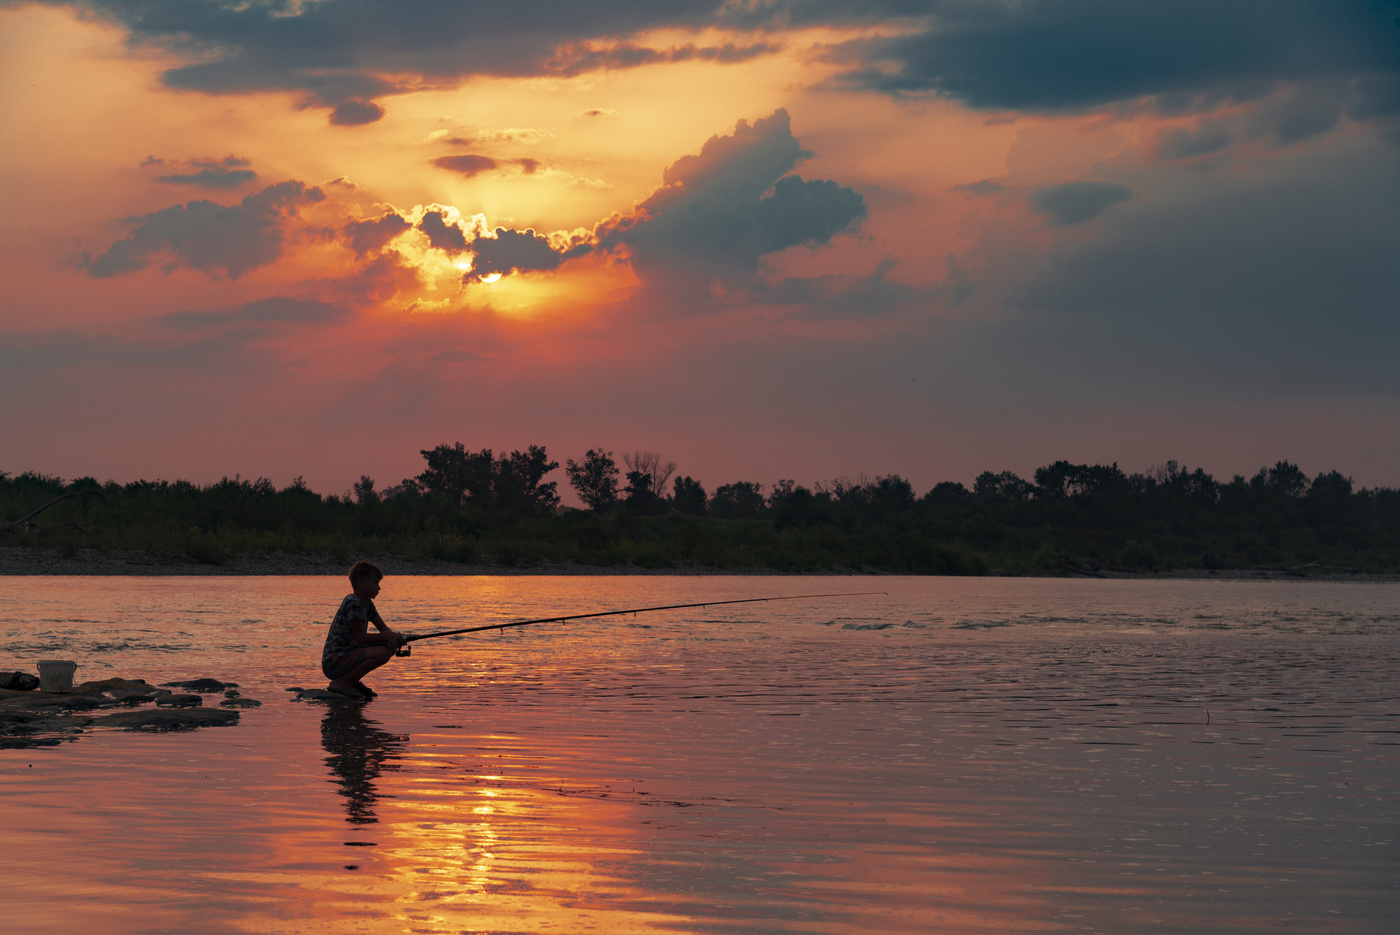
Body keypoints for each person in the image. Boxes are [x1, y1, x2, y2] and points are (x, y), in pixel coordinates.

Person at [322, 561, 406, 699]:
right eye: (375, 583)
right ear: (360, 583)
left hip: (349, 654)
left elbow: (383, 628)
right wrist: (388, 637)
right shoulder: (353, 602)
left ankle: (352, 682)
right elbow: (360, 638)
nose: (379, 588)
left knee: (388, 648)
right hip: (334, 660)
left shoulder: (367, 603)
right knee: (383, 653)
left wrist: (393, 638)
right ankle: (340, 684)